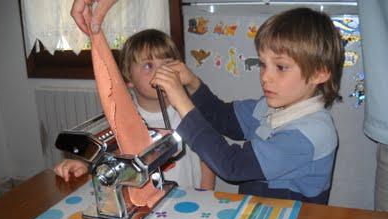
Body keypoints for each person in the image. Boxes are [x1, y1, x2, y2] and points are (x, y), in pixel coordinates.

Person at [151, 7, 345, 204]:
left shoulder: (310, 135)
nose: (265, 77)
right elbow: (224, 118)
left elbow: (231, 166)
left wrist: (182, 102)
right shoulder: (271, 107)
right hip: (262, 214)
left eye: (281, 67)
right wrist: (193, 84)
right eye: (263, 64)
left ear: (319, 73)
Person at [55, 29, 215, 190]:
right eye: (148, 65)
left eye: (167, 63)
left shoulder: (188, 110)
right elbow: (112, 161)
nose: (161, 72)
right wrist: (85, 167)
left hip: (188, 201)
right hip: (145, 205)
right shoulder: (123, 120)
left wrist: (205, 193)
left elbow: (208, 158)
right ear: (128, 79)